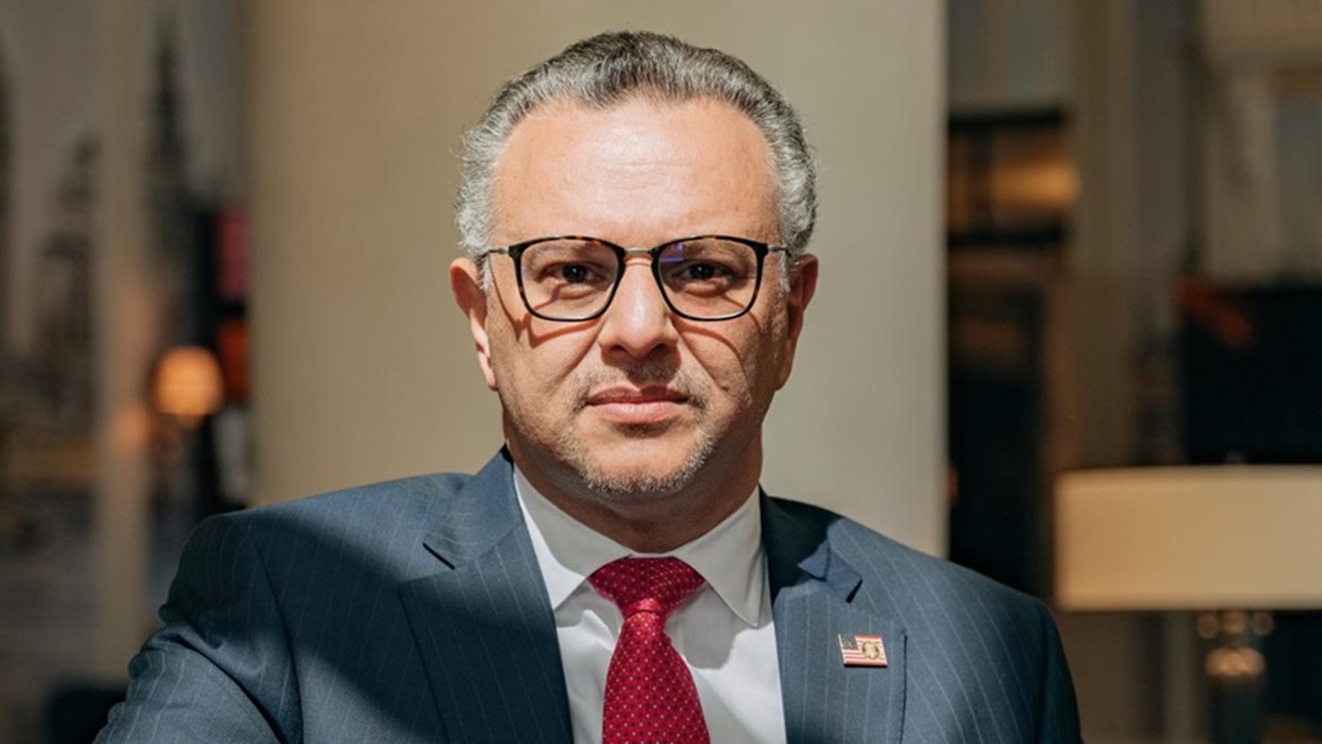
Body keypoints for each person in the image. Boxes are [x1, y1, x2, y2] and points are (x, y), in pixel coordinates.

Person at [98, 31, 1080, 743]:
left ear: (789, 316)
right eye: (571, 271)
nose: (640, 330)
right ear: (481, 320)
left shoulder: (981, 649)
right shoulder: (288, 601)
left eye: (705, 270)